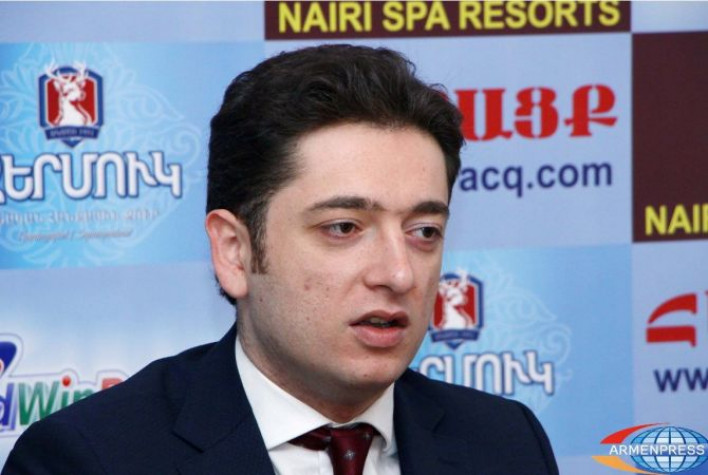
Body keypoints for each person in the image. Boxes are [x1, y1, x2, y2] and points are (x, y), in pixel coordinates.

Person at [3, 44, 558, 475]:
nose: (398, 273)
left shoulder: (505, 443)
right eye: (343, 228)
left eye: (424, 231)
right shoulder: (91, 459)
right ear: (234, 251)